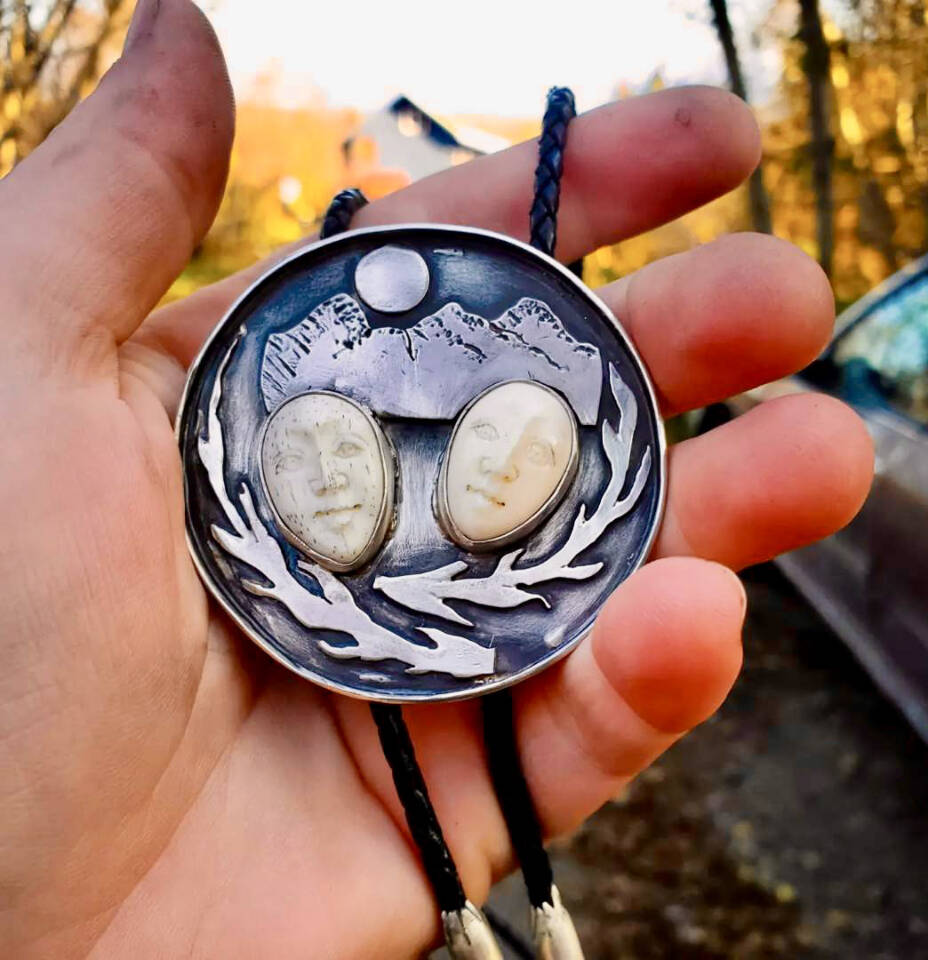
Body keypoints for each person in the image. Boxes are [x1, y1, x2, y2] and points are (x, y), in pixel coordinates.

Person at [0, 1, 873, 957]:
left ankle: (506, 913)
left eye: (515, 452)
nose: (496, 469)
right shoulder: (315, 450)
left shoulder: (508, 450)